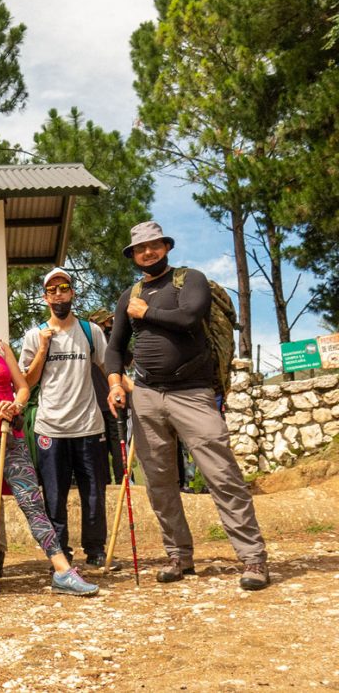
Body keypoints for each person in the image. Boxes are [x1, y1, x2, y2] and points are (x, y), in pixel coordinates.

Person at [105, 221, 270, 590]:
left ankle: (253, 558)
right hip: (145, 395)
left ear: (166, 246)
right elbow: (115, 348)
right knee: (160, 483)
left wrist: (145, 313)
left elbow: (189, 317)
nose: (148, 252)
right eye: (140, 248)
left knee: (221, 474)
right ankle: (178, 554)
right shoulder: (128, 295)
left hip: (193, 393)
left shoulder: (189, 279)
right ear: (133, 256)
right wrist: (115, 383)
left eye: (154, 245)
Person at [0, 297, 99, 597]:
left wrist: (14, 406)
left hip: (9, 433)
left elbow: (23, 385)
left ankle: (62, 570)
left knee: (31, 498)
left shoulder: (1, 348)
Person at [20, 269, 110, 568]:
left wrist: (118, 387)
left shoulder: (90, 331)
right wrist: (44, 348)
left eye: (64, 288)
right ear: (45, 297)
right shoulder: (34, 335)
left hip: (88, 424)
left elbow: (108, 366)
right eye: (52, 290)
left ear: (72, 293)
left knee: (94, 492)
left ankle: (95, 548)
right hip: (51, 427)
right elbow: (27, 382)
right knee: (55, 495)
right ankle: (60, 553)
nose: (59, 294)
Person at [88, 308, 126, 484]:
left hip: (99, 402)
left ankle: (112, 480)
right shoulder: (108, 342)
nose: (111, 325)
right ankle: (121, 480)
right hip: (109, 400)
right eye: (108, 322)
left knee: (104, 446)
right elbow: (128, 359)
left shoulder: (89, 342)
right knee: (117, 442)